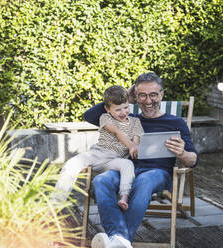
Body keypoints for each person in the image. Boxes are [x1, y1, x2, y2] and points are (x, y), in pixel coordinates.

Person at [85, 72, 198, 248]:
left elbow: (193, 160)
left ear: (161, 94)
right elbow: (90, 116)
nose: (147, 101)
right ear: (135, 96)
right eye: (142, 95)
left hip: (158, 175)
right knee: (101, 180)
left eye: (153, 95)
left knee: (145, 179)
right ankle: (119, 240)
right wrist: (125, 97)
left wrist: (182, 153)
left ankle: (119, 239)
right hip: (127, 169)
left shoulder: (175, 122)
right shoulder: (127, 119)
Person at [51, 85, 144, 211]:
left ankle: (124, 197)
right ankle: (54, 206)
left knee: (127, 165)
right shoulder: (105, 117)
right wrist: (131, 146)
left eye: (126, 107)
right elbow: (116, 132)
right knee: (71, 164)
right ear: (107, 109)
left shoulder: (135, 122)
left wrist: (136, 147)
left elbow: (136, 139)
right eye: (118, 110)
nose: (123, 112)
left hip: (114, 160)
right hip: (98, 154)